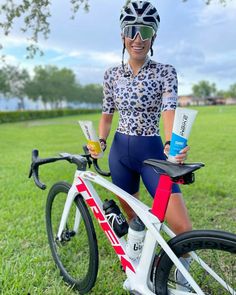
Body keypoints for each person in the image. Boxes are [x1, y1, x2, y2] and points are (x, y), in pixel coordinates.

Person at [88, 1, 192, 290]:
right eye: (131, 30)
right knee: (134, 217)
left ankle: (184, 281)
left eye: (145, 30)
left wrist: (172, 144)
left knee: (182, 228)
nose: (138, 38)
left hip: (152, 152)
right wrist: (100, 140)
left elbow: (169, 110)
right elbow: (107, 113)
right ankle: (137, 272)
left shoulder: (165, 72)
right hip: (120, 154)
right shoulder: (111, 75)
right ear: (122, 35)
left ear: (154, 36)